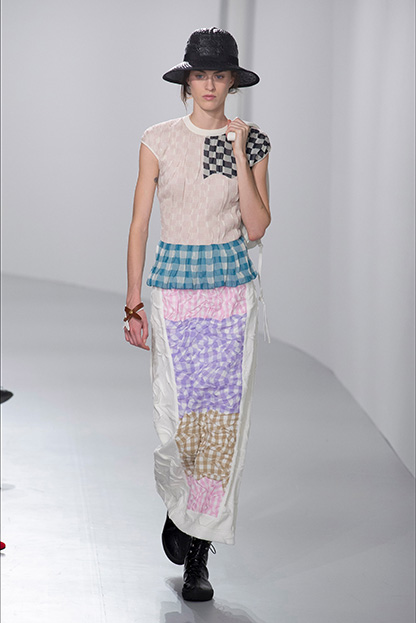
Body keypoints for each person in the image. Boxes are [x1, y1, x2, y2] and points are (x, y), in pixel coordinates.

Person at [124, 27, 271, 601]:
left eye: (220, 75)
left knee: (220, 426)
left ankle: (198, 557)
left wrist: (237, 152)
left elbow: (256, 227)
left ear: (233, 82)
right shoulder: (158, 139)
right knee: (177, 421)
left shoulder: (252, 142)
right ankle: (180, 508)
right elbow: (140, 224)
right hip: (172, 294)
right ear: (187, 81)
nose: (210, 85)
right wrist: (132, 301)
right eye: (200, 74)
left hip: (231, 293)